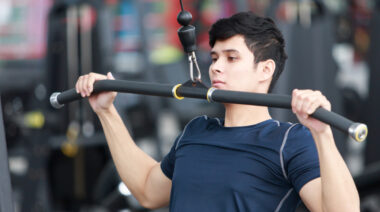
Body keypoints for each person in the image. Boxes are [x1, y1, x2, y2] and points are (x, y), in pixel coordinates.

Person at [75, 12, 359, 211]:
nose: (216, 67)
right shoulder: (196, 131)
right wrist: (106, 111)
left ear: (265, 70)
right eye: (214, 58)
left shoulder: (289, 141)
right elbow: (148, 192)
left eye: (231, 58)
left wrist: (321, 134)